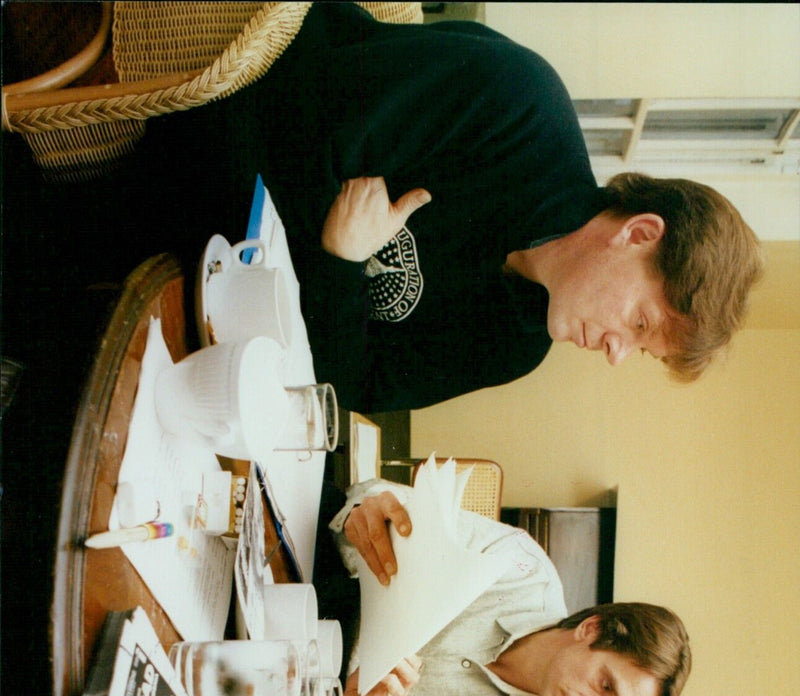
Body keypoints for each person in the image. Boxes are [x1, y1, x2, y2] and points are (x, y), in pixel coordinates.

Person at [139, 2, 763, 412]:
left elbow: (357, 387)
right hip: (199, 144)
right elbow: (298, 121)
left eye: (638, 352)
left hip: (232, 328)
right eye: (640, 324)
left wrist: (341, 258)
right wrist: (324, 308)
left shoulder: (517, 347)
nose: (614, 351)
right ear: (639, 232)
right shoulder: (519, 110)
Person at [293, 481, 691, 696]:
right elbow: (391, 507)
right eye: (605, 686)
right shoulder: (522, 568)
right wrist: (367, 515)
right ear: (591, 630)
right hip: (323, 601)